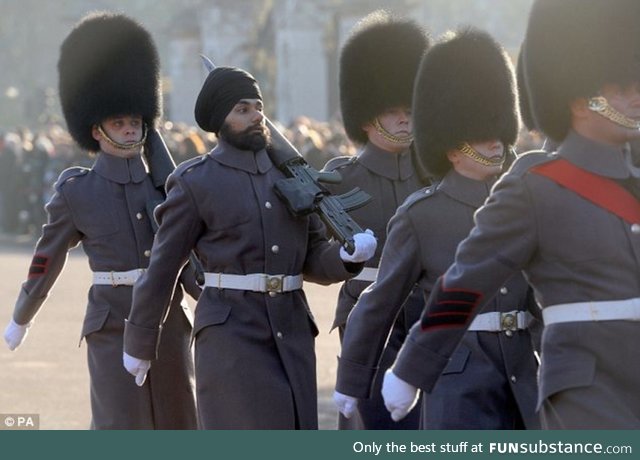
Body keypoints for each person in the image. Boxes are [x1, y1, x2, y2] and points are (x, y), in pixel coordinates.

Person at [383, 0, 640, 429]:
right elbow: (466, 281)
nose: (635, 95)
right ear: (579, 99)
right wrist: (412, 367)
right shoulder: (535, 188)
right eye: (620, 87)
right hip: (587, 386)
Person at [122, 66, 377, 429]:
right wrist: (140, 339)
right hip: (232, 338)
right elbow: (164, 267)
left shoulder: (289, 178)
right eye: (242, 109)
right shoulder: (197, 182)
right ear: (218, 121)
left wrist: (344, 257)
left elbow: (313, 257)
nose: (257, 116)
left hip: (291, 332)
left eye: (258, 107)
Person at [336, 28, 540, 430]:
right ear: (451, 146)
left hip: (521, 373)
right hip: (457, 376)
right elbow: (381, 302)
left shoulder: (521, 204)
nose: (498, 146)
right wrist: (352, 378)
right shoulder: (422, 215)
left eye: (500, 135)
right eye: (484, 138)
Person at [2, 13, 198, 429]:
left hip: (168, 316)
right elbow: (45, 259)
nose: (129, 131)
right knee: (120, 424)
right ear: (96, 130)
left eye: (134, 123)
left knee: (178, 421)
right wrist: (22, 314)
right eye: (118, 124)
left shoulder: (168, 185)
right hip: (111, 322)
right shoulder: (78, 191)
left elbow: (193, 257)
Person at [324, 10, 430, 430]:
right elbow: (312, 256)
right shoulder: (339, 179)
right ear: (368, 118)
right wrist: (343, 258)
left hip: (424, 314)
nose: (406, 118)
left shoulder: (433, 173)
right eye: (394, 111)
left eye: (410, 108)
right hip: (366, 321)